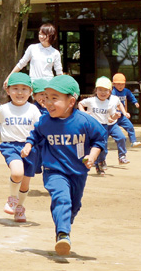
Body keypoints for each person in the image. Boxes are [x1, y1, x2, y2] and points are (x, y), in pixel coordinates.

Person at [21, 75, 107, 257]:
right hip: (54, 170)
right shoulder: (45, 121)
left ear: (71, 101)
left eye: (55, 98)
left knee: (74, 205)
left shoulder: (85, 121)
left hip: (78, 172)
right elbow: (35, 134)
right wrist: (28, 145)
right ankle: (63, 234)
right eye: (46, 97)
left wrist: (92, 156)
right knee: (62, 199)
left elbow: (100, 139)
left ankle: (64, 224)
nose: (48, 102)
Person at [0, 72, 40, 223]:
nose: (19, 92)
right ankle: (12, 199)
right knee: (17, 173)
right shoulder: (4, 109)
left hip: (30, 148)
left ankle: (20, 207)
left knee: (25, 183)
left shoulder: (33, 110)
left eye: (24, 89)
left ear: (30, 92)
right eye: (15, 88)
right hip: (11, 146)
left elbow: (40, 129)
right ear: (8, 91)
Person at [78, 76, 129, 171]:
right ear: (96, 90)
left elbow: (110, 118)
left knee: (103, 147)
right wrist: (83, 112)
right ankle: (93, 161)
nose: (102, 92)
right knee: (90, 144)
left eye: (106, 90)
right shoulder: (91, 100)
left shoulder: (108, 103)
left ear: (110, 91)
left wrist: (116, 116)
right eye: (100, 90)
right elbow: (80, 103)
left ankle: (100, 162)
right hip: (92, 126)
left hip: (104, 126)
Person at [111, 73, 140, 145]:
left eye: (122, 84)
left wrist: (135, 102)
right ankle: (103, 144)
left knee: (130, 126)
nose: (120, 86)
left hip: (122, 115)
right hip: (114, 115)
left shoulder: (126, 91)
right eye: (118, 84)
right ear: (114, 84)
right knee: (109, 130)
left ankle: (133, 141)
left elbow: (131, 96)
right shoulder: (113, 92)